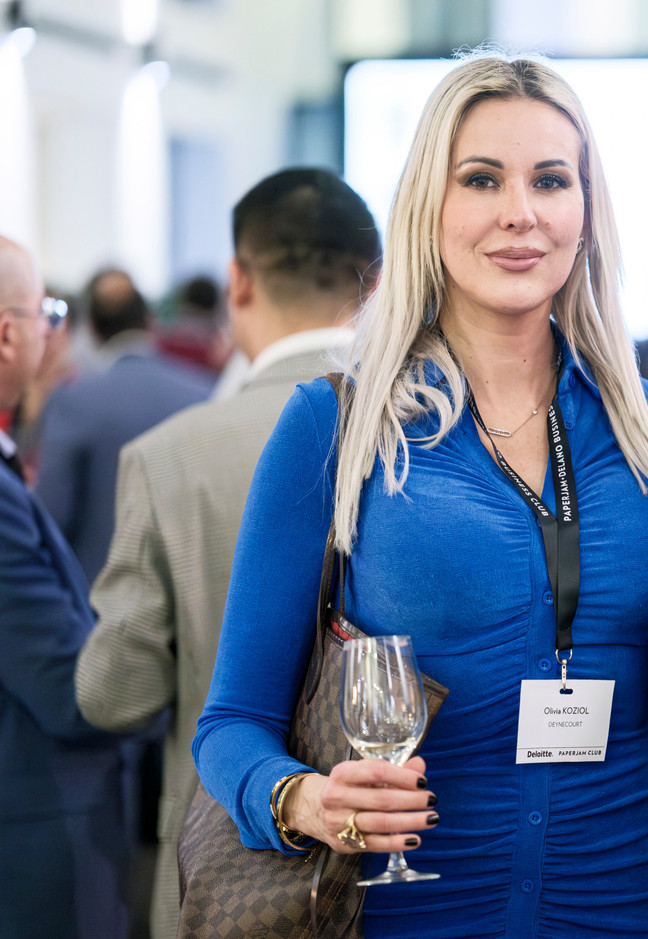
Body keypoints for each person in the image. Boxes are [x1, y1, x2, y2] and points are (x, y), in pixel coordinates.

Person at [192, 53, 648, 937]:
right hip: (415, 906)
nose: (519, 213)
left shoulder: (645, 421)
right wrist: (304, 798)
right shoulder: (336, 425)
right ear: (430, 206)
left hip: (631, 895)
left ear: (586, 209)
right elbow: (231, 722)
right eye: (481, 179)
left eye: (550, 180)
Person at [74, 168, 381, 939]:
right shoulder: (426, 439)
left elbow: (115, 691)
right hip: (384, 857)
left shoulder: (170, 455)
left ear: (239, 279)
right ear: (376, 279)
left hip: (223, 865)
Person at [0, 235, 128, 938]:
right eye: (45, 310)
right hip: (31, 846)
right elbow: (67, 688)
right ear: (8, 332)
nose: (54, 329)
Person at [33, 268, 213, 582]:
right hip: (189, 595)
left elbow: (49, 521)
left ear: (91, 327)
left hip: (98, 605)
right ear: (149, 321)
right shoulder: (205, 393)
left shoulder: (73, 401)